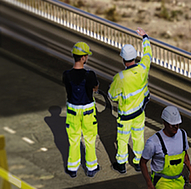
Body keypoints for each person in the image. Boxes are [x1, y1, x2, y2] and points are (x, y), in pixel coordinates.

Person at [108, 30, 152, 174]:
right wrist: (145, 37)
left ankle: (121, 164)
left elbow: (112, 95)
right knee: (139, 136)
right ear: (135, 57)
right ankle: (139, 162)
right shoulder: (143, 68)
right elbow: (148, 54)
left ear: (123, 60)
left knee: (122, 138)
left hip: (126, 115)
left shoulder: (120, 77)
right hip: (139, 111)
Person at [61, 41, 100, 178]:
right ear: (83, 57)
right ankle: (91, 167)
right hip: (88, 111)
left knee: (74, 139)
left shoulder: (66, 75)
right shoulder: (90, 75)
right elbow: (94, 88)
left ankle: (72, 168)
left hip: (72, 111)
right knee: (89, 138)